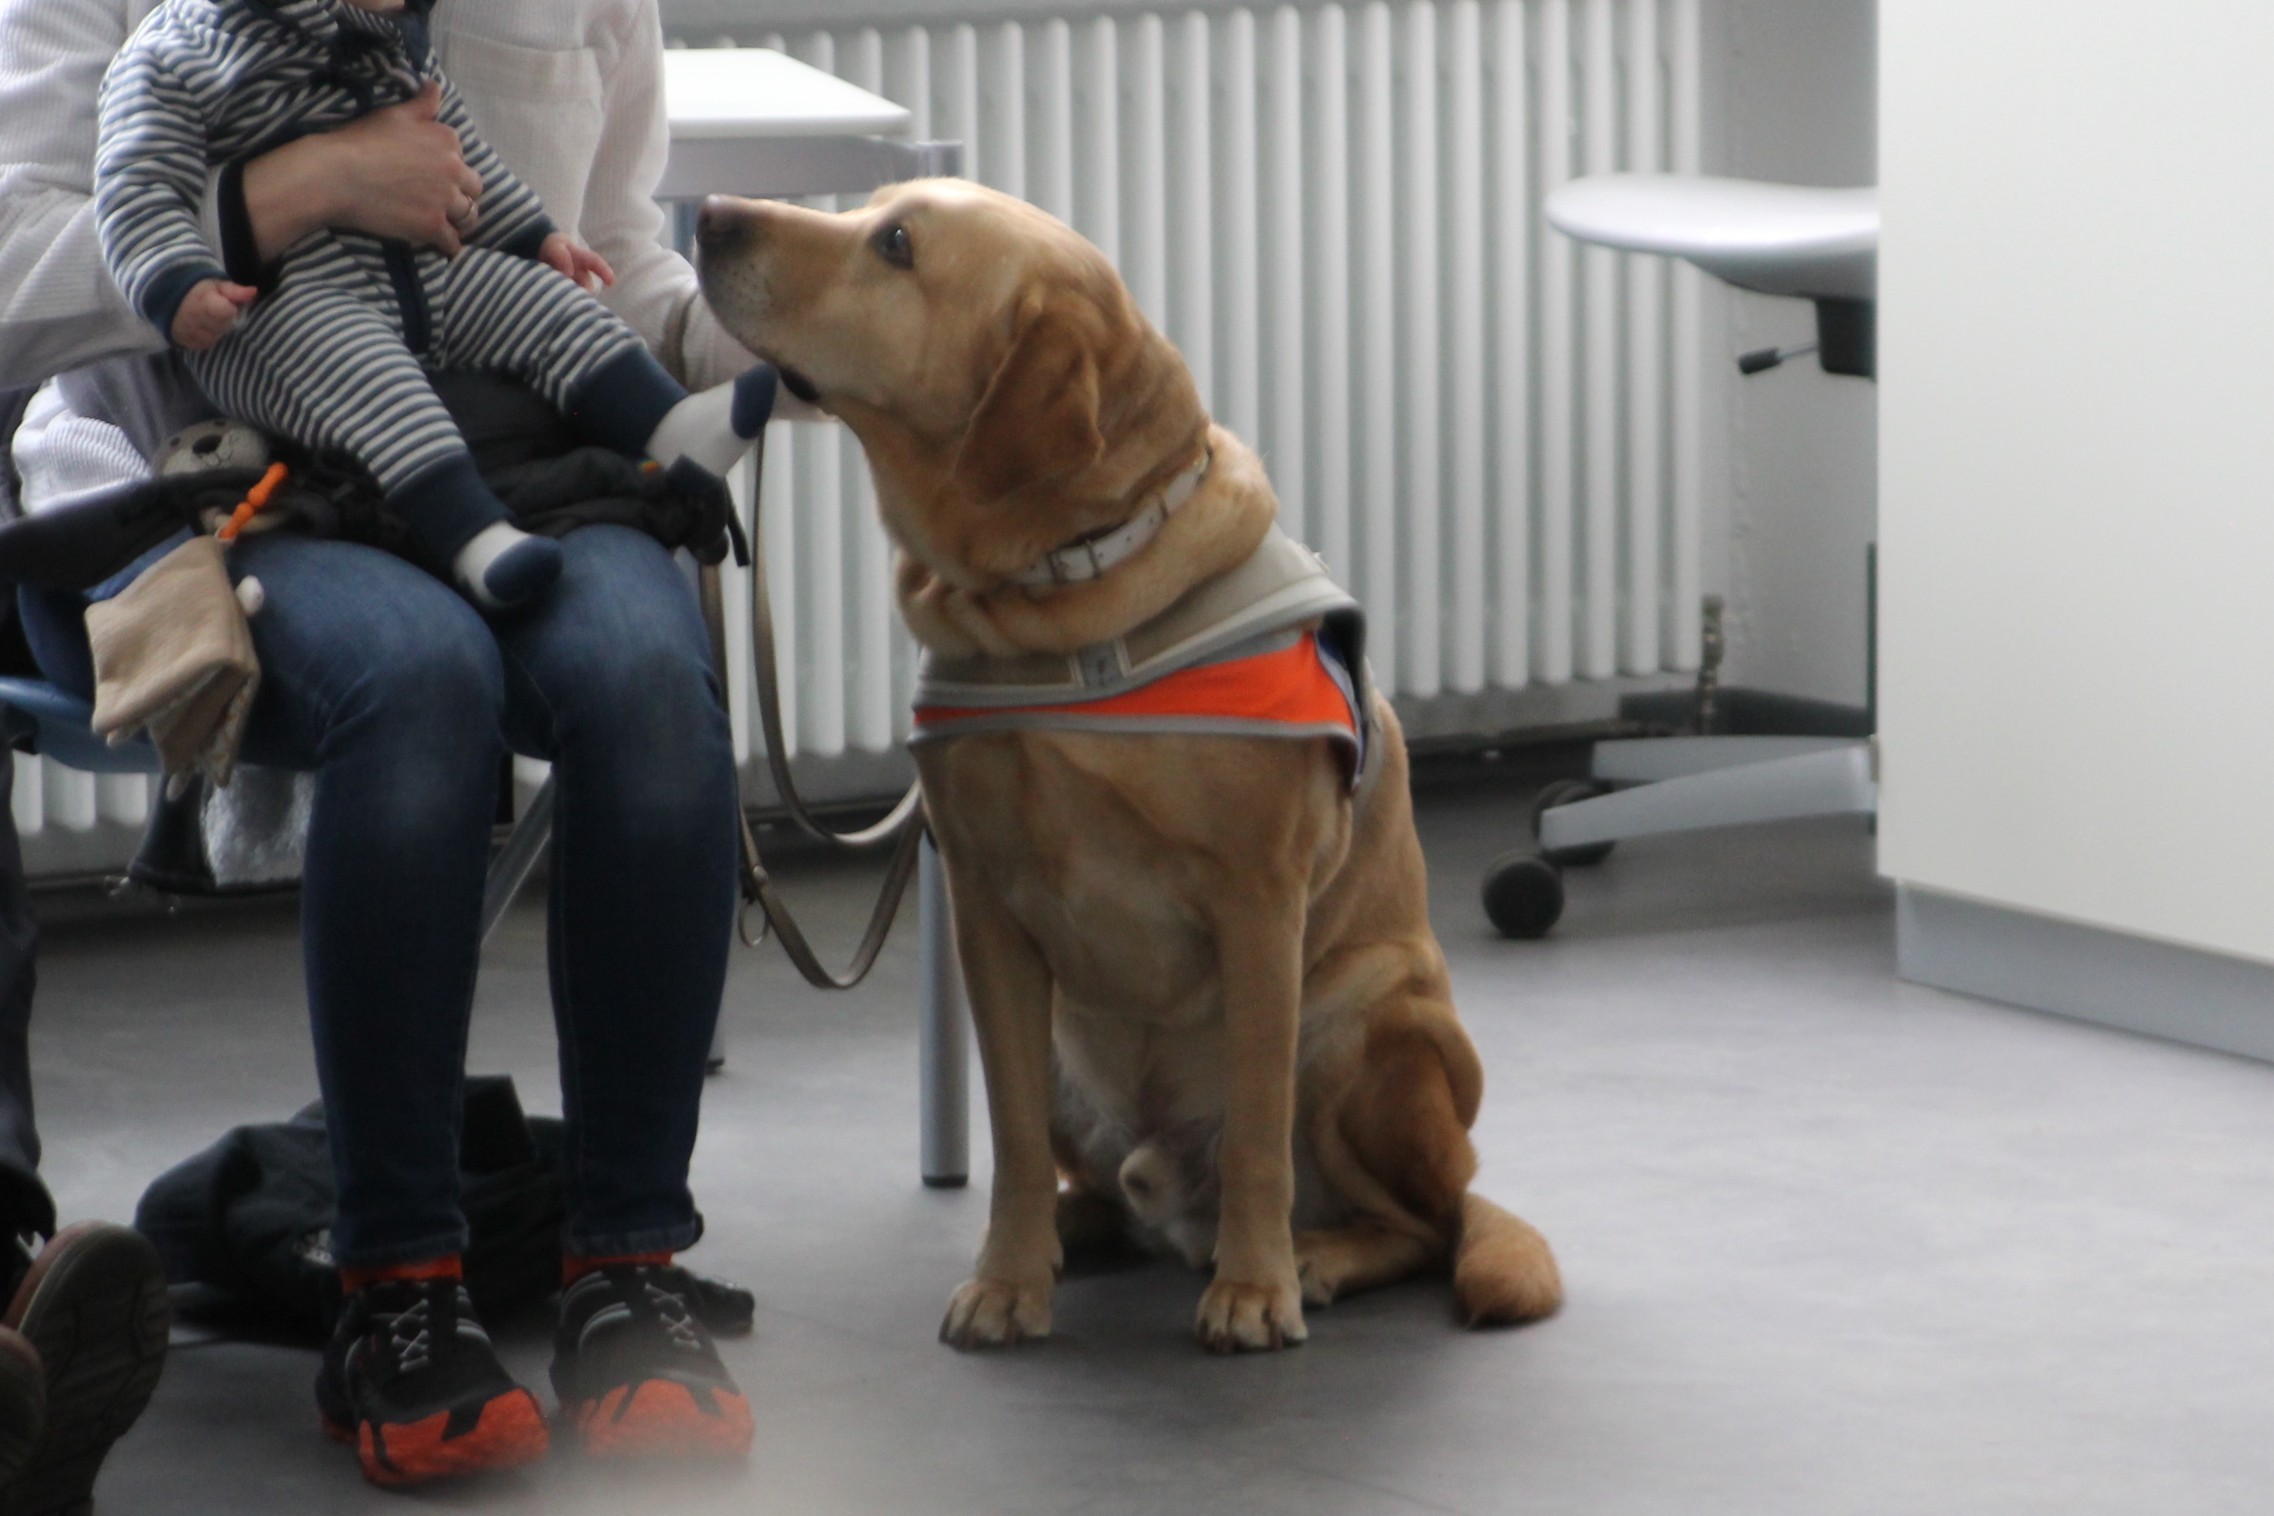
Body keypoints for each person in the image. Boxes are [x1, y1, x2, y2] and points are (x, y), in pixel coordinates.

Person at [0, 0, 778, 1487]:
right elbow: (9, 266)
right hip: (231, 470)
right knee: (419, 681)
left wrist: (785, 339)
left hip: (529, 459)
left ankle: (629, 1265)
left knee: (646, 685)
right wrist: (283, 197)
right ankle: (397, 1286)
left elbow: (614, 248)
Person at [96, 0, 772, 611]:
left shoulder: (382, 38)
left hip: (425, 279)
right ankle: (476, 539)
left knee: (537, 298)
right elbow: (135, 193)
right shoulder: (175, 54)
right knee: (369, 372)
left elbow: (462, 153)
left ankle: (670, 424)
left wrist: (533, 237)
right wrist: (176, 283)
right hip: (284, 311)